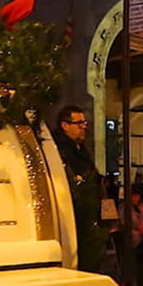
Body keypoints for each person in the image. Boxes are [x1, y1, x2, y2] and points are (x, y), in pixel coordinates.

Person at [51, 104, 110, 275]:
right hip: (77, 220)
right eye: (79, 123)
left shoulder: (81, 150)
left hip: (90, 219)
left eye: (84, 123)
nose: (84, 127)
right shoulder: (60, 151)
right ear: (65, 126)